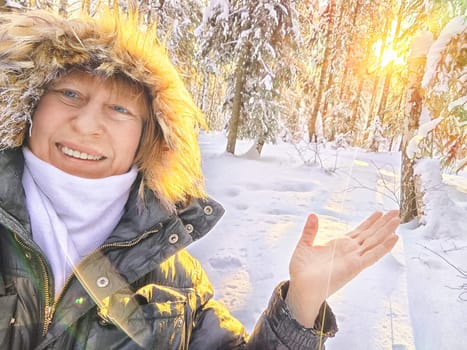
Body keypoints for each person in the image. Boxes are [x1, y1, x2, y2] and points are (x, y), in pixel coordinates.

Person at [0, 7, 400, 350]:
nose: (87, 125)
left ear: (148, 136)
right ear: (30, 104)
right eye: (70, 94)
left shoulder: (179, 280)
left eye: (120, 109)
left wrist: (301, 303)